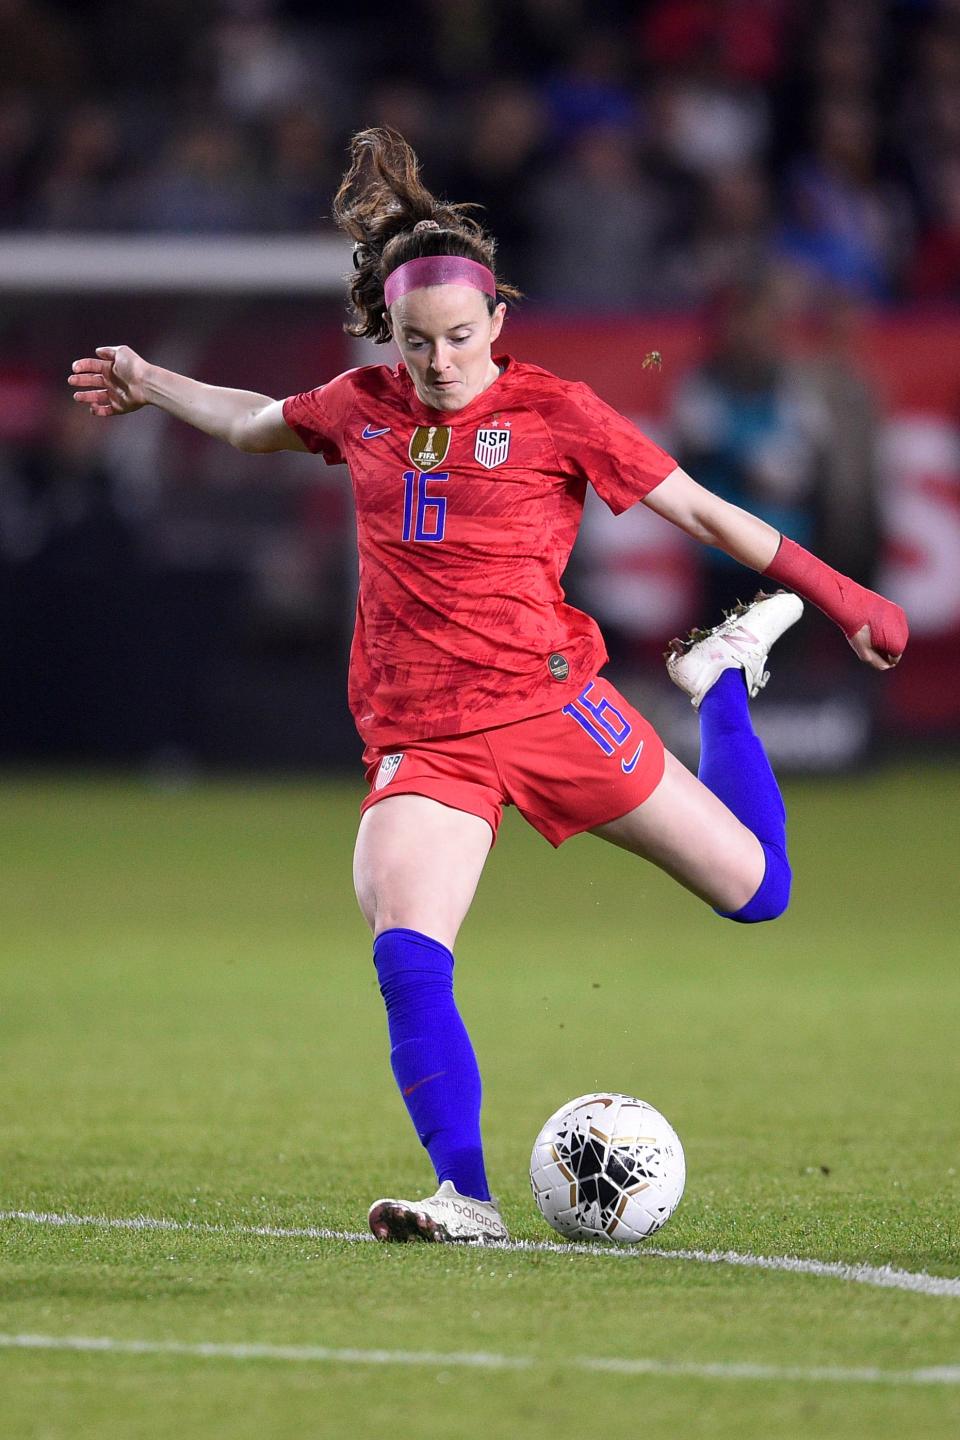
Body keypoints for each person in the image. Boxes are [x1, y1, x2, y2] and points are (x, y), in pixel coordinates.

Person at [68, 127, 908, 1246]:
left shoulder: (557, 413)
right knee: (407, 945)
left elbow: (703, 511)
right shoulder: (360, 407)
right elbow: (250, 420)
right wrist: (149, 381)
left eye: (462, 338)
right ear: (391, 336)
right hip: (429, 739)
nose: (442, 363)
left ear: (498, 324)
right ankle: (465, 1198)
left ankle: (717, 685)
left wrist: (843, 595)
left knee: (760, 894)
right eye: (418, 344)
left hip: (559, 708)